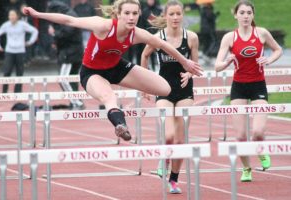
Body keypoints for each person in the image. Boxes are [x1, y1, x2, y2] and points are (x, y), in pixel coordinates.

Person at [22, 0, 202, 142]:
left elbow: (162, 44)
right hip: (92, 72)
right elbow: (70, 20)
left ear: (139, 14)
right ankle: (121, 125)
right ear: (118, 14)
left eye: (135, 13)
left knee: (165, 89)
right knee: (109, 97)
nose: (131, 18)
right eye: (127, 13)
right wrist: (38, 14)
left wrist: (185, 62)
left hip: (116, 68)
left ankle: (120, 102)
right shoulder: (103, 26)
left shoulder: (137, 33)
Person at [214, 0, 282, 182]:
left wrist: (269, 60)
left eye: (248, 13)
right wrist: (227, 61)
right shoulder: (229, 38)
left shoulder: (261, 33)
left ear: (253, 15)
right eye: (242, 13)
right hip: (239, 87)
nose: (245, 16)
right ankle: (246, 168)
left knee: (258, 132)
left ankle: (260, 150)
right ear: (235, 15)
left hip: (258, 85)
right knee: (240, 135)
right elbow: (217, 67)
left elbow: (278, 50)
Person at [141, 0, 198, 194]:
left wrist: (189, 74)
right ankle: (164, 158)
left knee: (180, 141)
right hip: (164, 90)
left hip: (184, 91)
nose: (175, 18)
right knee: (168, 136)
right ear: (165, 16)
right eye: (171, 14)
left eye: (178, 14)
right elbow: (144, 56)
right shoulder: (158, 37)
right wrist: (145, 84)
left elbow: (195, 66)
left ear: (182, 15)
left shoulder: (191, 38)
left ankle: (173, 180)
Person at [47, 1, 85, 110]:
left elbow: (66, 33)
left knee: (63, 79)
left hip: (70, 53)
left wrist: (54, 33)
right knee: (72, 78)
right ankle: (76, 101)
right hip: (73, 51)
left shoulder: (68, 16)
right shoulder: (69, 14)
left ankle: (77, 102)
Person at [0, 9, 38, 93]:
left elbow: (35, 31)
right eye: (10, 15)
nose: (11, 17)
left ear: (17, 16)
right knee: (7, 72)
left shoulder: (22, 24)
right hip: (9, 51)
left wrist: (30, 42)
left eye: (13, 15)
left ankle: (18, 91)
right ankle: (4, 91)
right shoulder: (6, 25)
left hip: (20, 51)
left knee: (19, 72)